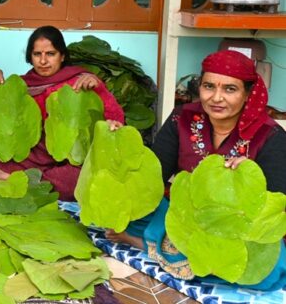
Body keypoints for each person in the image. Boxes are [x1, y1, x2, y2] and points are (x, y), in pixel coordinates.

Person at [106, 50, 286, 290]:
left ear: (248, 94)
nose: (216, 97)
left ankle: (149, 245)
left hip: (233, 228)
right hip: (186, 216)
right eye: (209, 86)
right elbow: (154, 176)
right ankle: (157, 243)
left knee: (268, 271)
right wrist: (121, 143)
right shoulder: (183, 117)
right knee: (128, 213)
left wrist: (251, 177)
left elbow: (274, 204)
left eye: (230, 89)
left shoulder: (270, 135)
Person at [0, 25, 125, 200]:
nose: (43, 61)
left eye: (50, 54)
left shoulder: (81, 81)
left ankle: (13, 180)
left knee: (77, 180)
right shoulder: (22, 85)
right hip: (35, 155)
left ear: (62, 56)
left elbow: (115, 117)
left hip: (70, 158)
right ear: (30, 57)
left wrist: (99, 88)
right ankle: (24, 180)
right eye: (37, 54)